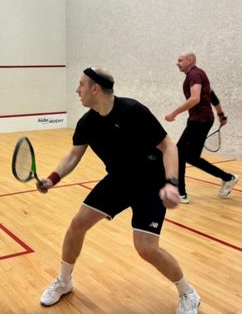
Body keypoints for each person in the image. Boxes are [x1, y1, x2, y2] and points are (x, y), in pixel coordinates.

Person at [38, 67, 200, 314]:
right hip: (119, 180)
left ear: (95, 89)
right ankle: (64, 281)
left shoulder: (133, 111)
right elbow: (73, 155)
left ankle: (188, 293)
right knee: (77, 225)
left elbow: (168, 146)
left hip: (150, 182)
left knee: (146, 248)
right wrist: (53, 178)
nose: (77, 90)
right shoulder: (87, 123)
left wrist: (171, 183)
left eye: (81, 85)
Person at [165, 52, 239, 203]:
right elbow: (212, 95)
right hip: (203, 120)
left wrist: (174, 113)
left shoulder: (194, 75)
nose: (177, 63)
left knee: (179, 154)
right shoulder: (199, 74)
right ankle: (228, 178)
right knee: (191, 157)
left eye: (180, 60)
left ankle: (181, 193)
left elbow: (195, 99)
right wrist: (221, 115)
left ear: (190, 60)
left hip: (199, 121)